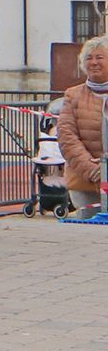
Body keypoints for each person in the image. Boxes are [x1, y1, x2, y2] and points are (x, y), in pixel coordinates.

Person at [57, 36, 108, 218]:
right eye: (89, 58)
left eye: (99, 57)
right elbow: (67, 136)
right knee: (88, 228)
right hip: (84, 181)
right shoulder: (72, 95)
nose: (94, 62)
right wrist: (92, 170)